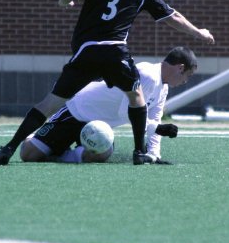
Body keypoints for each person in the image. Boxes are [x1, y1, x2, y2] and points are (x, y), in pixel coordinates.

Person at [0, 0, 214, 166]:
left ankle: (9, 148)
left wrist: (65, 1)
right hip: (114, 52)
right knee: (136, 97)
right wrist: (198, 32)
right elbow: (172, 16)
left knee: (49, 103)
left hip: (87, 52)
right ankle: (138, 152)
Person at [20, 46, 198, 165]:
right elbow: (126, 113)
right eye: (187, 76)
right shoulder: (148, 75)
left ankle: (60, 154)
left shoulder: (163, 88)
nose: (185, 81)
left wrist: (154, 154)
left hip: (99, 127)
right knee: (28, 155)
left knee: (102, 154)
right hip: (77, 113)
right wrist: (157, 128)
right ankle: (40, 140)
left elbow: (154, 118)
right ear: (180, 68)